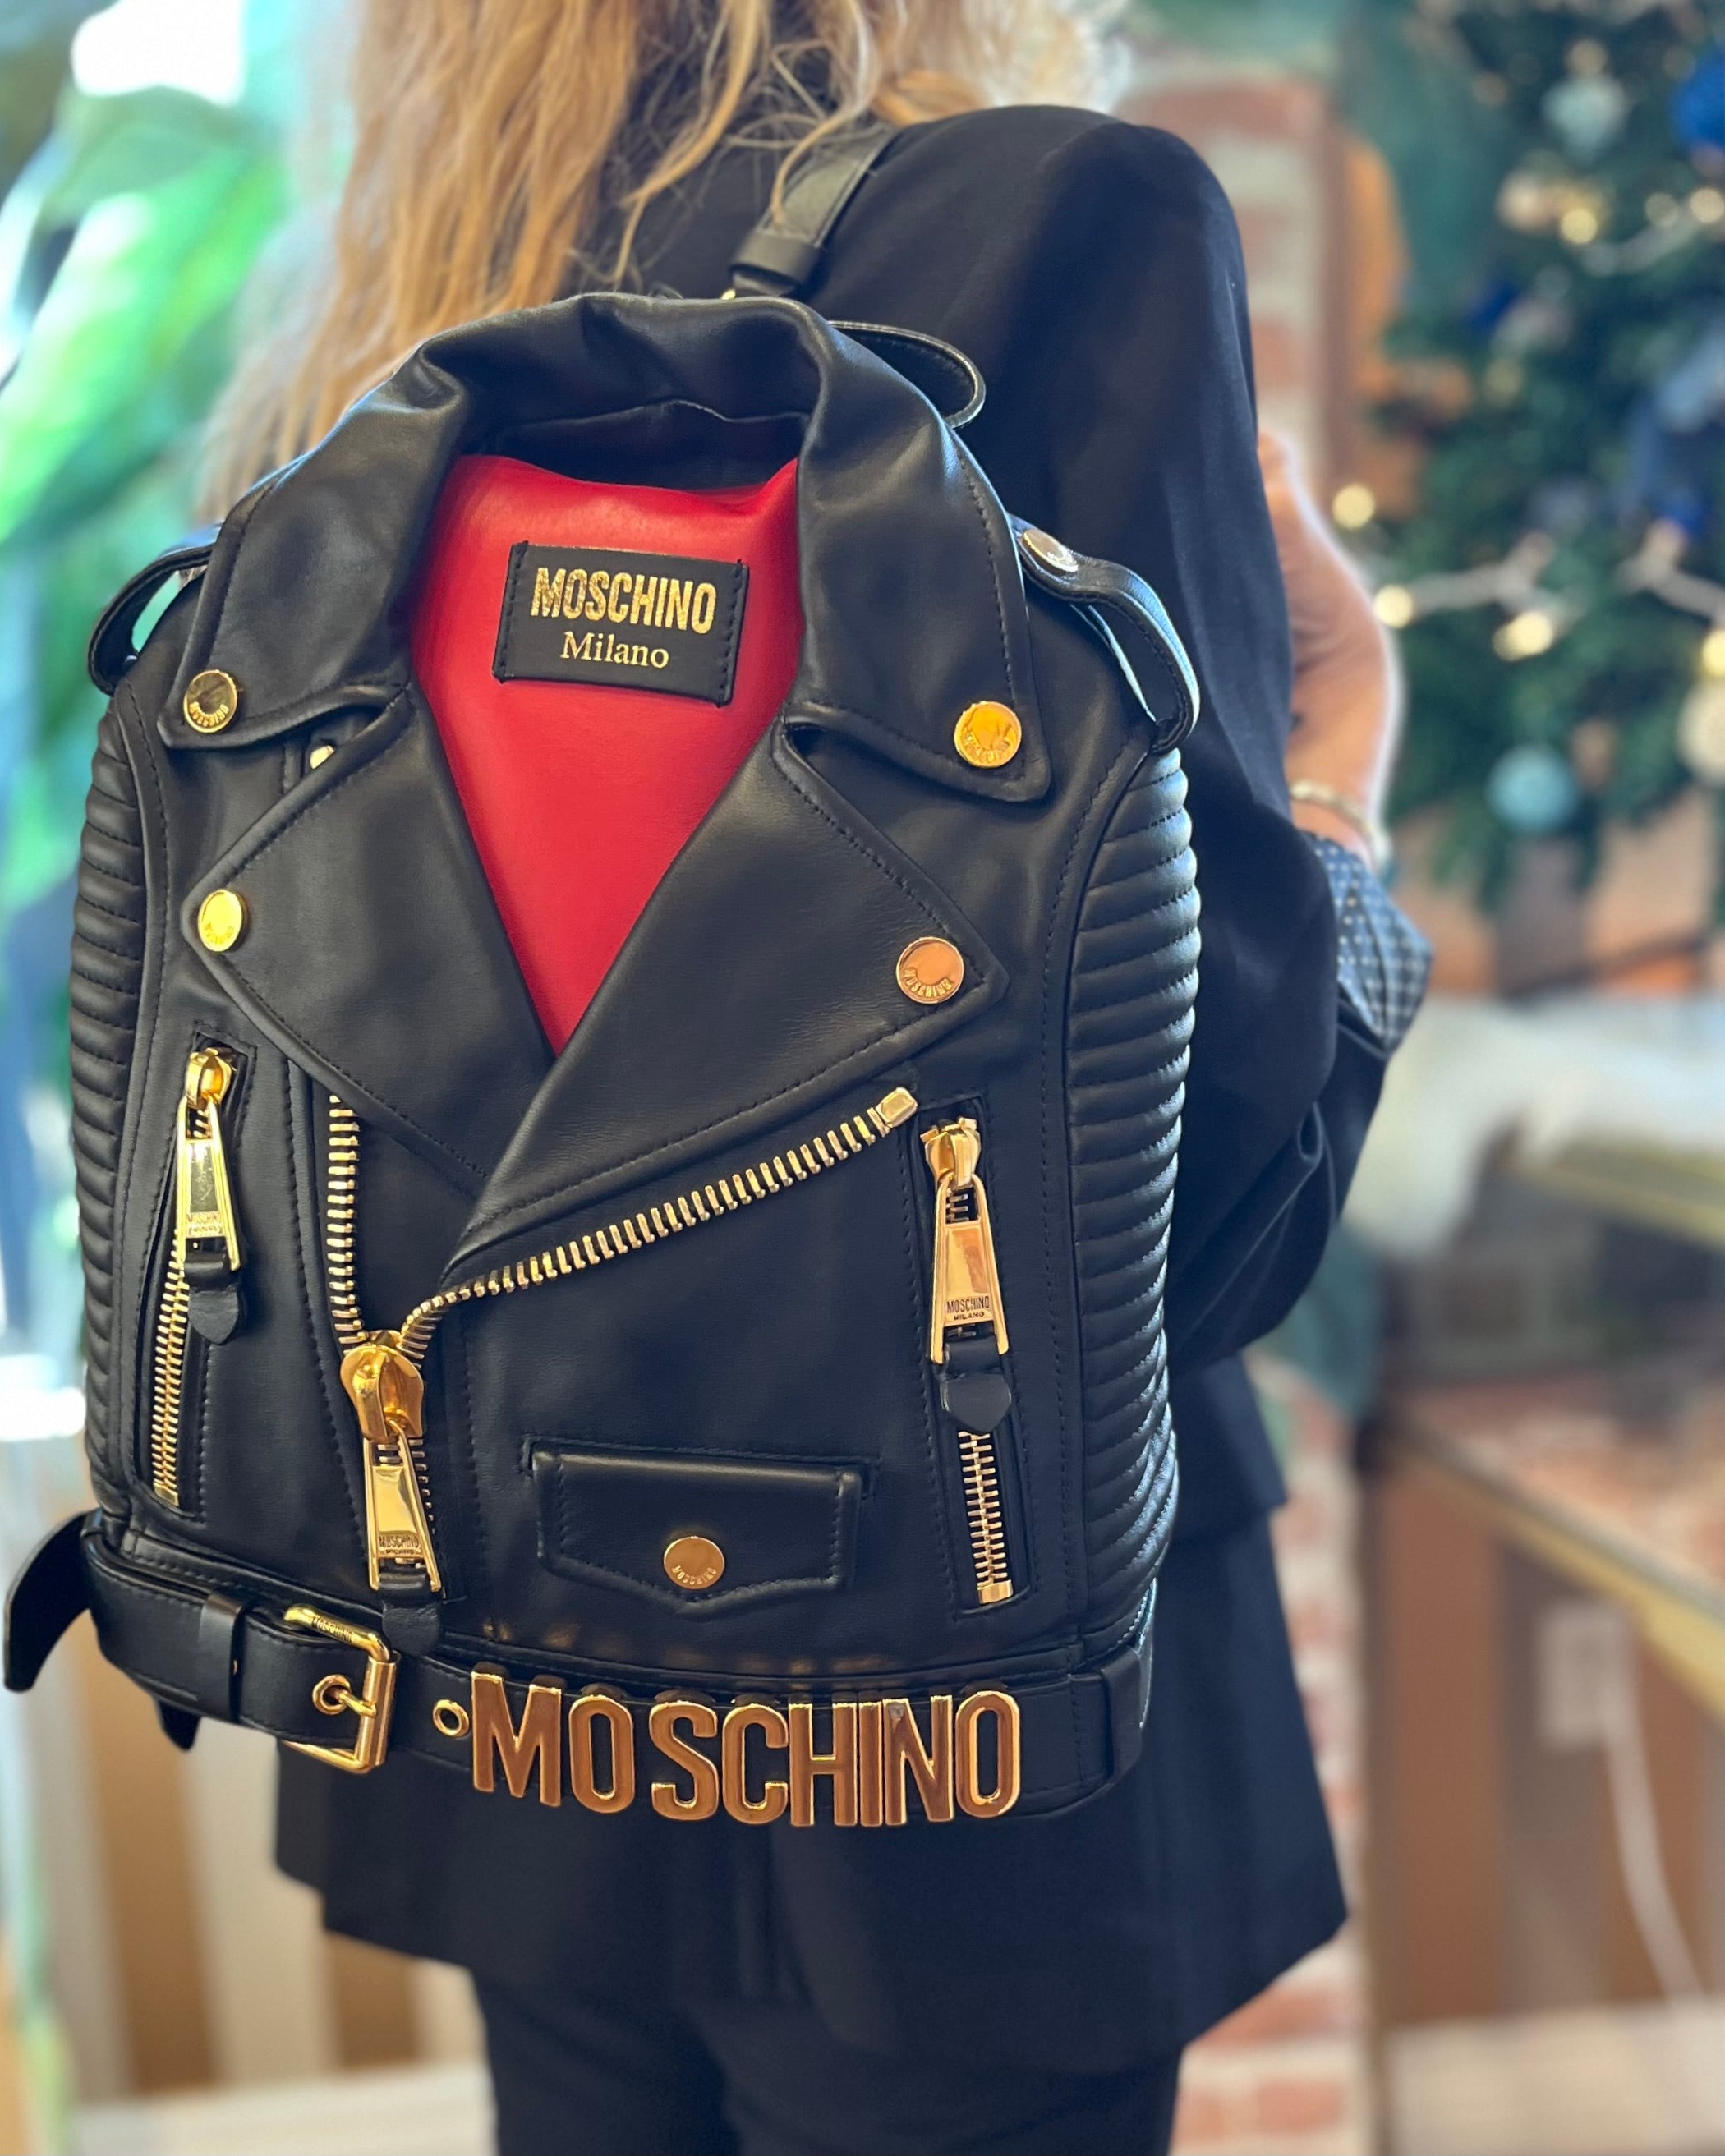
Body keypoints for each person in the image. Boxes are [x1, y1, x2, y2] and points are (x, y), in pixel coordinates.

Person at [201, 7, 1425, 2151]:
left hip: (483, 1656)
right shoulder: (1059, 230)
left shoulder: (388, 321)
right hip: (953, 1706)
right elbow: (1204, 1214)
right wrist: (1340, 780)